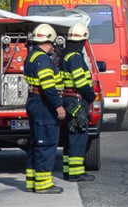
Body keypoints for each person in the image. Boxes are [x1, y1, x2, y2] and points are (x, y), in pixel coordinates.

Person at [23, 23, 67, 194]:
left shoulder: (31, 56)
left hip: (34, 101)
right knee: (46, 143)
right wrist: (58, 106)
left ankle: (32, 181)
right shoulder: (43, 59)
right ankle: (44, 184)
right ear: (48, 42)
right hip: (43, 104)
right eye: (53, 44)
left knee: (36, 143)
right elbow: (48, 87)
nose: (53, 47)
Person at [57, 23, 96, 183]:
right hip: (77, 101)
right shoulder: (76, 58)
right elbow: (80, 83)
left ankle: (67, 170)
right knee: (78, 136)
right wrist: (91, 95)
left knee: (68, 136)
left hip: (67, 100)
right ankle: (76, 173)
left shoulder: (65, 56)